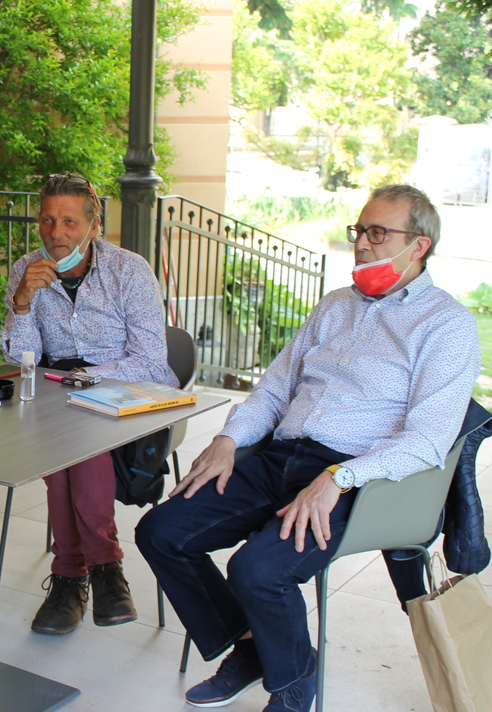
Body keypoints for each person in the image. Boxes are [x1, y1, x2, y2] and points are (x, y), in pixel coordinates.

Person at [134, 184, 481, 712]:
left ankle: (294, 684)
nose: (361, 243)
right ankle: (253, 648)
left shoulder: (446, 325)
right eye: (359, 230)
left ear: (419, 246)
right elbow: (275, 390)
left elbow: (429, 440)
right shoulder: (335, 305)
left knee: (258, 571)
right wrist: (229, 439)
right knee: (161, 532)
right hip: (281, 456)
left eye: (378, 233)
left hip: (359, 480)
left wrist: (340, 477)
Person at [4, 172, 179, 635]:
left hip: (127, 387)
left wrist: (82, 379)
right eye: (47, 220)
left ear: (94, 225)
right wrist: (22, 302)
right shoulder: (26, 269)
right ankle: (104, 570)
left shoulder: (129, 270)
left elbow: (151, 360)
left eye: (69, 222)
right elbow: (21, 361)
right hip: (57, 396)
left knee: (77, 441)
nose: (56, 233)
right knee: (68, 435)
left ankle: (71, 575)